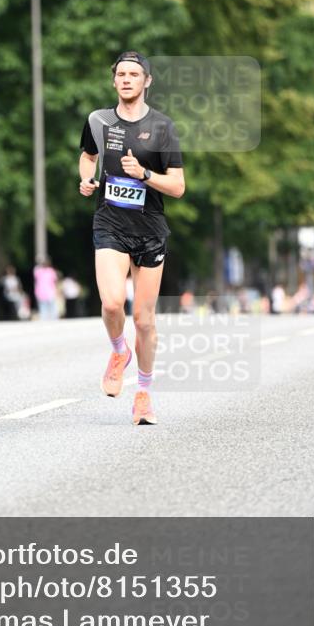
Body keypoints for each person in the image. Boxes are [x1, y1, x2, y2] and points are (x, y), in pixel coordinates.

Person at [79, 50, 185, 425]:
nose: (126, 79)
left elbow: (177, 186)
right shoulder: (98, 120)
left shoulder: (162, 127)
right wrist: (86, 179)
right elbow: (88, 156)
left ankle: (143, 393)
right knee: (111, 304)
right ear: (114, 81)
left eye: (134, 74)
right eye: (121, 74)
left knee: (143, 319)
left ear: (146, 82)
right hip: (109, 223)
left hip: (150, 230)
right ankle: (117, 350)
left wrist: (143, 174)